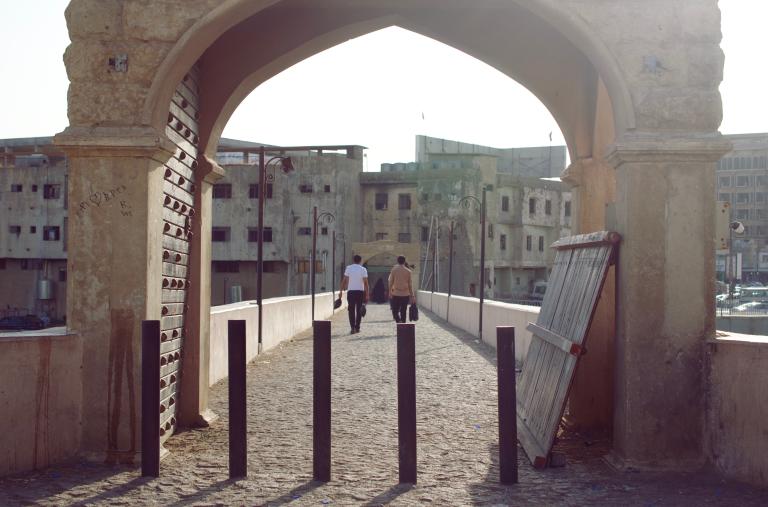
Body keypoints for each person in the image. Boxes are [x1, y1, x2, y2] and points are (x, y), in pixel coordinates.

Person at [339, 254, 369, 334]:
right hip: (360, 292)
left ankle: (352, 327)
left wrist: (340, 291)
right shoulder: (363, 269)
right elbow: (366, 283)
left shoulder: (349, 268)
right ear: (360, 261)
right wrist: (367, 294)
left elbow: (344, 280)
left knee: (351, 310)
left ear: (353, 260)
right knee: (359, 310)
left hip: (351, 291)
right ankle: (357, 327)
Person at [388, 255, 415, 323]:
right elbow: (410, 285)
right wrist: (412, 296)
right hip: (405, 294)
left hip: (396, 293)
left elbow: (391, 282)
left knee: (395, 310)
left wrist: (390, 291)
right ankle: (403, 326)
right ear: (404, 261)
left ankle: (398, 320)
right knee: (403, 311)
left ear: (397, 261)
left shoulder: (394, 270)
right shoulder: (408, 271)